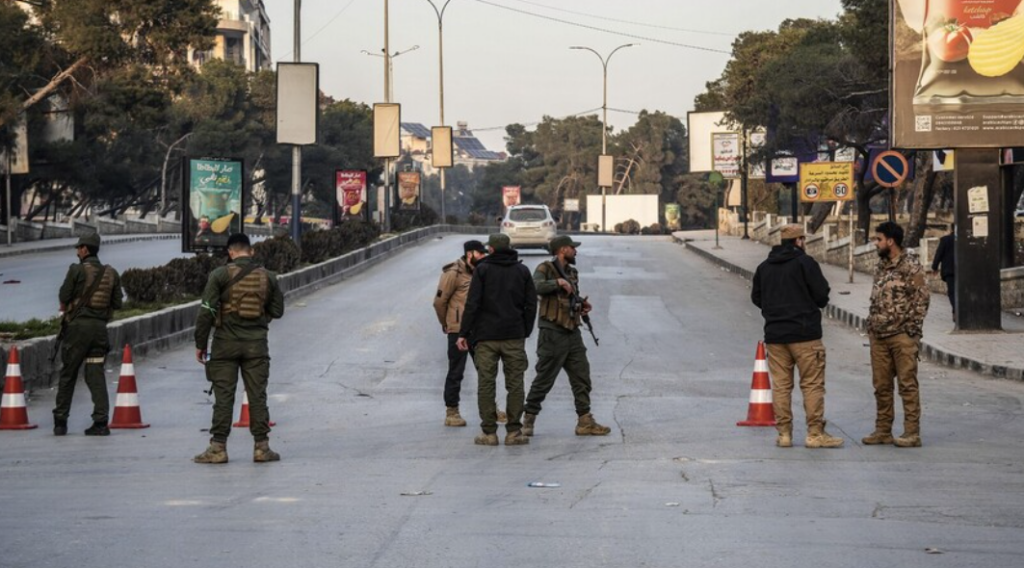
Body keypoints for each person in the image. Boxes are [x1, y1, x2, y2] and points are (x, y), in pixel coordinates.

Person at [193, 233, 285, 464]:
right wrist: (258, 318)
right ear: (251, 251)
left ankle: (218, 448)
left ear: (230, 252)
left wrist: (201, 344)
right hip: (256, 346)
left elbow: (207, 311)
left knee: (224, 396)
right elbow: (278, 310)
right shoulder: (268, 276)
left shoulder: (220, 275)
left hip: (224, 345)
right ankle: (262, 448)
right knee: (257, 395)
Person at [750, 225, 842, 448]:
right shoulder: (805, 263)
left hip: (775, 336)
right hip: (805, 335)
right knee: (811, 385)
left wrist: (774, 313)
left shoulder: (764, 267)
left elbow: (757, 298)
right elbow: (821, 295)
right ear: (799, 241)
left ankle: (784, 434)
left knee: (781, 386)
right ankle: (814, 434)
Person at [522, 236, 611, 438]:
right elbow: (535, 286)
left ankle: (585, 420)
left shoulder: (572, 272)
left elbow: (570, 296)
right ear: (562, 250)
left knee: (582, 376)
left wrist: (580, 304)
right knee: (545, 378)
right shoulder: (545, 268)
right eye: (572, 248)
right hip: (552, 332)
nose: (575, 251)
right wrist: (557, 282)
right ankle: (529, 418)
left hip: (572, 331)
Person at [456, 233, 537, 446]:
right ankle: (514, 432)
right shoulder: (522, 270)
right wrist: (525, 330)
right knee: (515, 384)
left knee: (486, 384)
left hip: (486, 337)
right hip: (514, 336)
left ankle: (489, 433)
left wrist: (464, 333)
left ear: (491, 249)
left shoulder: (482, 270)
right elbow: (531, 304)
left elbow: (473, 304)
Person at [864, 222, 930, 448]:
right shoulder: (881, 266)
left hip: (902, 336)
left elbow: (922, 299)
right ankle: (883, 430)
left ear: (890, 241)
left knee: (907, 385)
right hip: (879, 336)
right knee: (881, 386)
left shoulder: (910, 266)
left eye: (879, 239)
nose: (876, 243)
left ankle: (912, 433)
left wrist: (912, 330)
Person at [53, 233, 123, 436]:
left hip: (77, 330)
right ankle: (100, 423)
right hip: (99, 331)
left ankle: (60, 422)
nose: (77, 251)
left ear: (85, 249)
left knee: (68, 374)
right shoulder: (111, 273)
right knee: (95, 375)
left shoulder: (76, 270)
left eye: (79, 248)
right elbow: (117, 303)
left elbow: (64, 295)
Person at [433, 240, 506, 426]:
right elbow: (439, 302)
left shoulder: (482, 271)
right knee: (456, 371)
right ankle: (452, 411)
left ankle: (491, 410)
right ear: (470, 254)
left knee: (485, 371)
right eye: (480, 253)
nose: (483, 256)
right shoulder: (453, 273)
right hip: (458, 330)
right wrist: (446, 323)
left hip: (479, 329)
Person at [930, 226, 955, 323]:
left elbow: (939, 254)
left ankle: (955, 310)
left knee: (952, 292)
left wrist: (934, 267)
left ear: (951, 229)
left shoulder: (945, 240)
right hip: (962, 271)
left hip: (949, 270)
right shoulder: (964, 240)